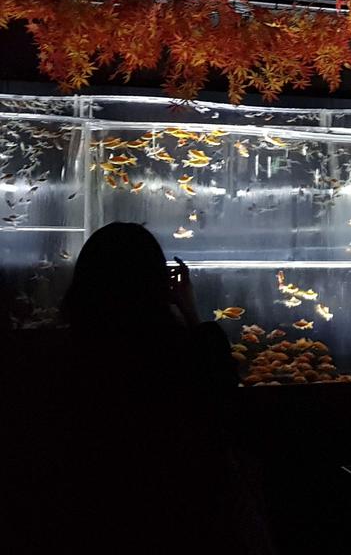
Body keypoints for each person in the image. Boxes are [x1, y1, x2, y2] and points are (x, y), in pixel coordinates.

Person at [44, 222, 273, 554]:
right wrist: (190, 312)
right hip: (184, 519)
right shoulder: (179, 351)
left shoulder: (64, 353)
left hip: (91, 519)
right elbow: (228, 413)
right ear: (156, 284)